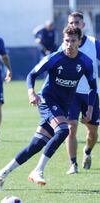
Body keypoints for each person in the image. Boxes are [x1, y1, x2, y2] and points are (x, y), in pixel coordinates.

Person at [0, 26, 97, 191]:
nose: (69, 44)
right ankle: (38, 170)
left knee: (35, 145)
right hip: (47, 100)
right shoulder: (55, 58)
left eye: (73, 41)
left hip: (63, 106)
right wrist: (31, 93)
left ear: (79, 41)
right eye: (66, 41)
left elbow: (92, 87)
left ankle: (2, 173)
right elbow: (31, 75)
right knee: (63, 130)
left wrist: (90, 108)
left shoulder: (85, 62)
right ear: (63, 40)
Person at [62, 11, 100, 174]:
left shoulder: (94, 44)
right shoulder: (64, 44)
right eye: (71, 22)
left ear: (83, 25)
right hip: (71, 93)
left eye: (77, 22)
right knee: (71, 127)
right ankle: (73, 164)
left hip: (90, 94)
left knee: (92, 131)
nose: (74, 25)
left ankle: (87, 151)